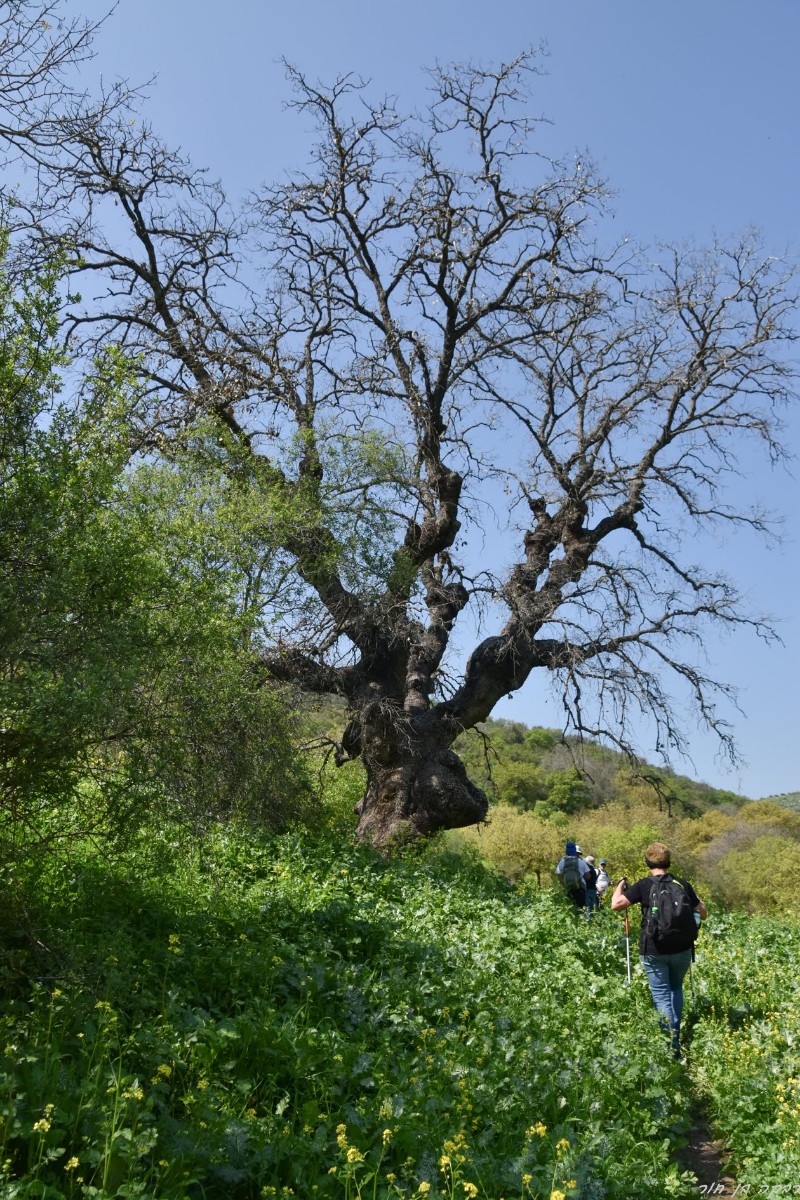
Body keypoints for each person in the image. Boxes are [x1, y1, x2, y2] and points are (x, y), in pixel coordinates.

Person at [611, 842, 707, 1059]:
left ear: (648, 862)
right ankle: (675, 1036)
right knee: (675, 989)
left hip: (654, 949)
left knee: (662, 996)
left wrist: (620, 884)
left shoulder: (644, 885)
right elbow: (703, 912)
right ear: (668, 861)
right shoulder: (682, 884)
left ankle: (671, 1046)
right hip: (682, 949)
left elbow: (616, 904)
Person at [555, 841, 590, 908]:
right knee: (581, 908)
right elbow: (588, 876)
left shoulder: (563, 860)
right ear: (578, 853)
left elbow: (558, 874)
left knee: (569, 907)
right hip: (580, 888)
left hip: (567, 888)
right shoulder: (581, 861)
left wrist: (563, 883)